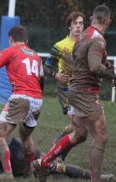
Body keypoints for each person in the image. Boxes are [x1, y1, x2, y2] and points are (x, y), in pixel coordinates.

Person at [33, 5, 116, 182]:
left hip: (75, 90)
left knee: (79, 134)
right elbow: (94, 67)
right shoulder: (97, 40)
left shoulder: (84, 36)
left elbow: (85, 61)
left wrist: (105, 65)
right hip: (85, 93)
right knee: (101, 136)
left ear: (92, 19)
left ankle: (44, 162)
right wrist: (112, 74)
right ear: (108, 22)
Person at [0, 25, 44, 179]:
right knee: (26, 136)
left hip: (20, 97)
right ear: (26, 41)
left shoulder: (9, 51)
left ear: (11, 39)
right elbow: (41, 82)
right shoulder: (36, 56)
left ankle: (7, 173)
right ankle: (29, 173)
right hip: (37, 100)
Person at [44, 11, 85, 162]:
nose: (78, 26)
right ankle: (60, 157)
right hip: (65, 90)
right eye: (75, 23)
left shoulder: (86, 44)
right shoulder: (60, 46)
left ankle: (57, 144)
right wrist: (55, 75)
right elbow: (45, 66)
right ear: (69, 26)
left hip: (81, 91)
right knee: (77, 125)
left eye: (81, 23)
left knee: (76, 127)